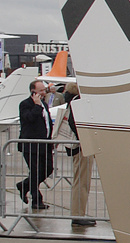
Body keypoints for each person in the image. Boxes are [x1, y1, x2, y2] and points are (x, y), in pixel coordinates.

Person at [57, 83, 95, 226]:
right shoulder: (77, 102)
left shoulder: (70, 102)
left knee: (80, 180)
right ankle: (78, 214)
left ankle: (78, 213)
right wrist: (85, 139)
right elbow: (75, 124)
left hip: (77, 147)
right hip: (80, 147)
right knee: (81, 182)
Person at [17, 79, 54, 210]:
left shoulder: (44, 104)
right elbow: (29, 119)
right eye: (41, 90)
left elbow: (47, 123)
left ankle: (24, 185)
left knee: (48, 169)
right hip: (31, 145)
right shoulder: (25, 104)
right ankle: (36, 200)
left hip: (45, 143)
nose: (44, 92)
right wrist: (37, 106)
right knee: (35, 171)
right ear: (34, 92)